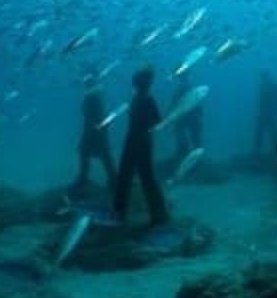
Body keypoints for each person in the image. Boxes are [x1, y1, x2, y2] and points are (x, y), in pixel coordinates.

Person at [113, 66, 169, 226]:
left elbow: (158, 120)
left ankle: (157, 215)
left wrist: (144, 125)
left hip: (139, 141)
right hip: (138, 141)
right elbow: (157, 121)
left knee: (138, 178)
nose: (135, 81)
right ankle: (122, 212)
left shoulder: (145, 98)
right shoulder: (140, 97)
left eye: (137, 79)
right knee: (133, 177)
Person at [71, 72, 116, 193]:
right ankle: (111, 179)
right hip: (95, 130)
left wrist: (96, 129)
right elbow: (99, 115)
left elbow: (95, 115)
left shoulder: (92, 97)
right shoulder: (94, 96)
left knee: (91, 153)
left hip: (93, 131)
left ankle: (85, 179)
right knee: (101, 155)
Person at [171, 74, 203, 164]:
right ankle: (183, 156)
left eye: (184, 77)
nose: (184, 80)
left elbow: (198, 104)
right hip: (185, 118)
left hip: (192, 118)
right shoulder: (180, 92)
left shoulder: (191, 90)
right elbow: (174, 107)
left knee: (196, 139)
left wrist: (199, 116)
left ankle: (195, 160)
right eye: (182, 78)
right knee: (183, 138)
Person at [254, 71, 277, 155]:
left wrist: (274, 108)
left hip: (269, 114)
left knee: (272, 133)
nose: (261, 79)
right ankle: (258, 153)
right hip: (264, 113)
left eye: (263, 77)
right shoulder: (265, 86)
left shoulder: (272, 85)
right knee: (261, 133)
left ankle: (276, 153)